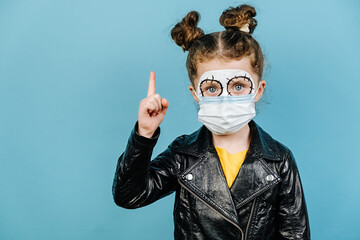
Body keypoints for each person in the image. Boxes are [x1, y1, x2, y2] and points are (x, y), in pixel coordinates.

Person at [112, 4, 310, 240]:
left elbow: (295, 235)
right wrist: (143, 135)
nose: (226, 98)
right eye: (212, 88)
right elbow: (129, 196)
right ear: (196, 93)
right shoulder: (183, 154)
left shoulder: (279, 160)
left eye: (238, 86)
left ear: (258, 89)